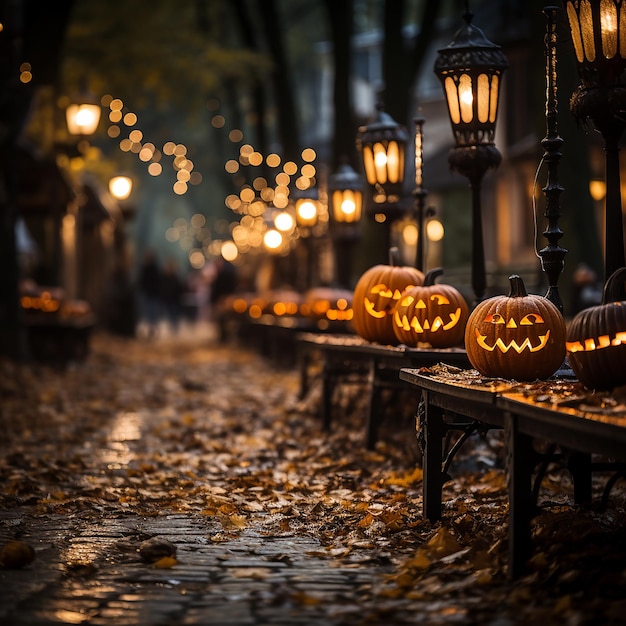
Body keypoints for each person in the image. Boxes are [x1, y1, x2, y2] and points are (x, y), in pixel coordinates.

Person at [137, 249, 162, 338]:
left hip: (149, 293)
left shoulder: (147, 268)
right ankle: (152, 328)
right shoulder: (154, 268)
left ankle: (152, 328)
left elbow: (142, 281)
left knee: (150, 312)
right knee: (151, 312)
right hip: (152, 293)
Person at [161, 258, 185, 335]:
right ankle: (173, 327)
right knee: (171, 314)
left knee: (174, 314)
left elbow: (180, 287)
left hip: (175, 298)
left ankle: (175, 327)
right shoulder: (166, 276)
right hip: (170, 298)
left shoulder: (175, 276)